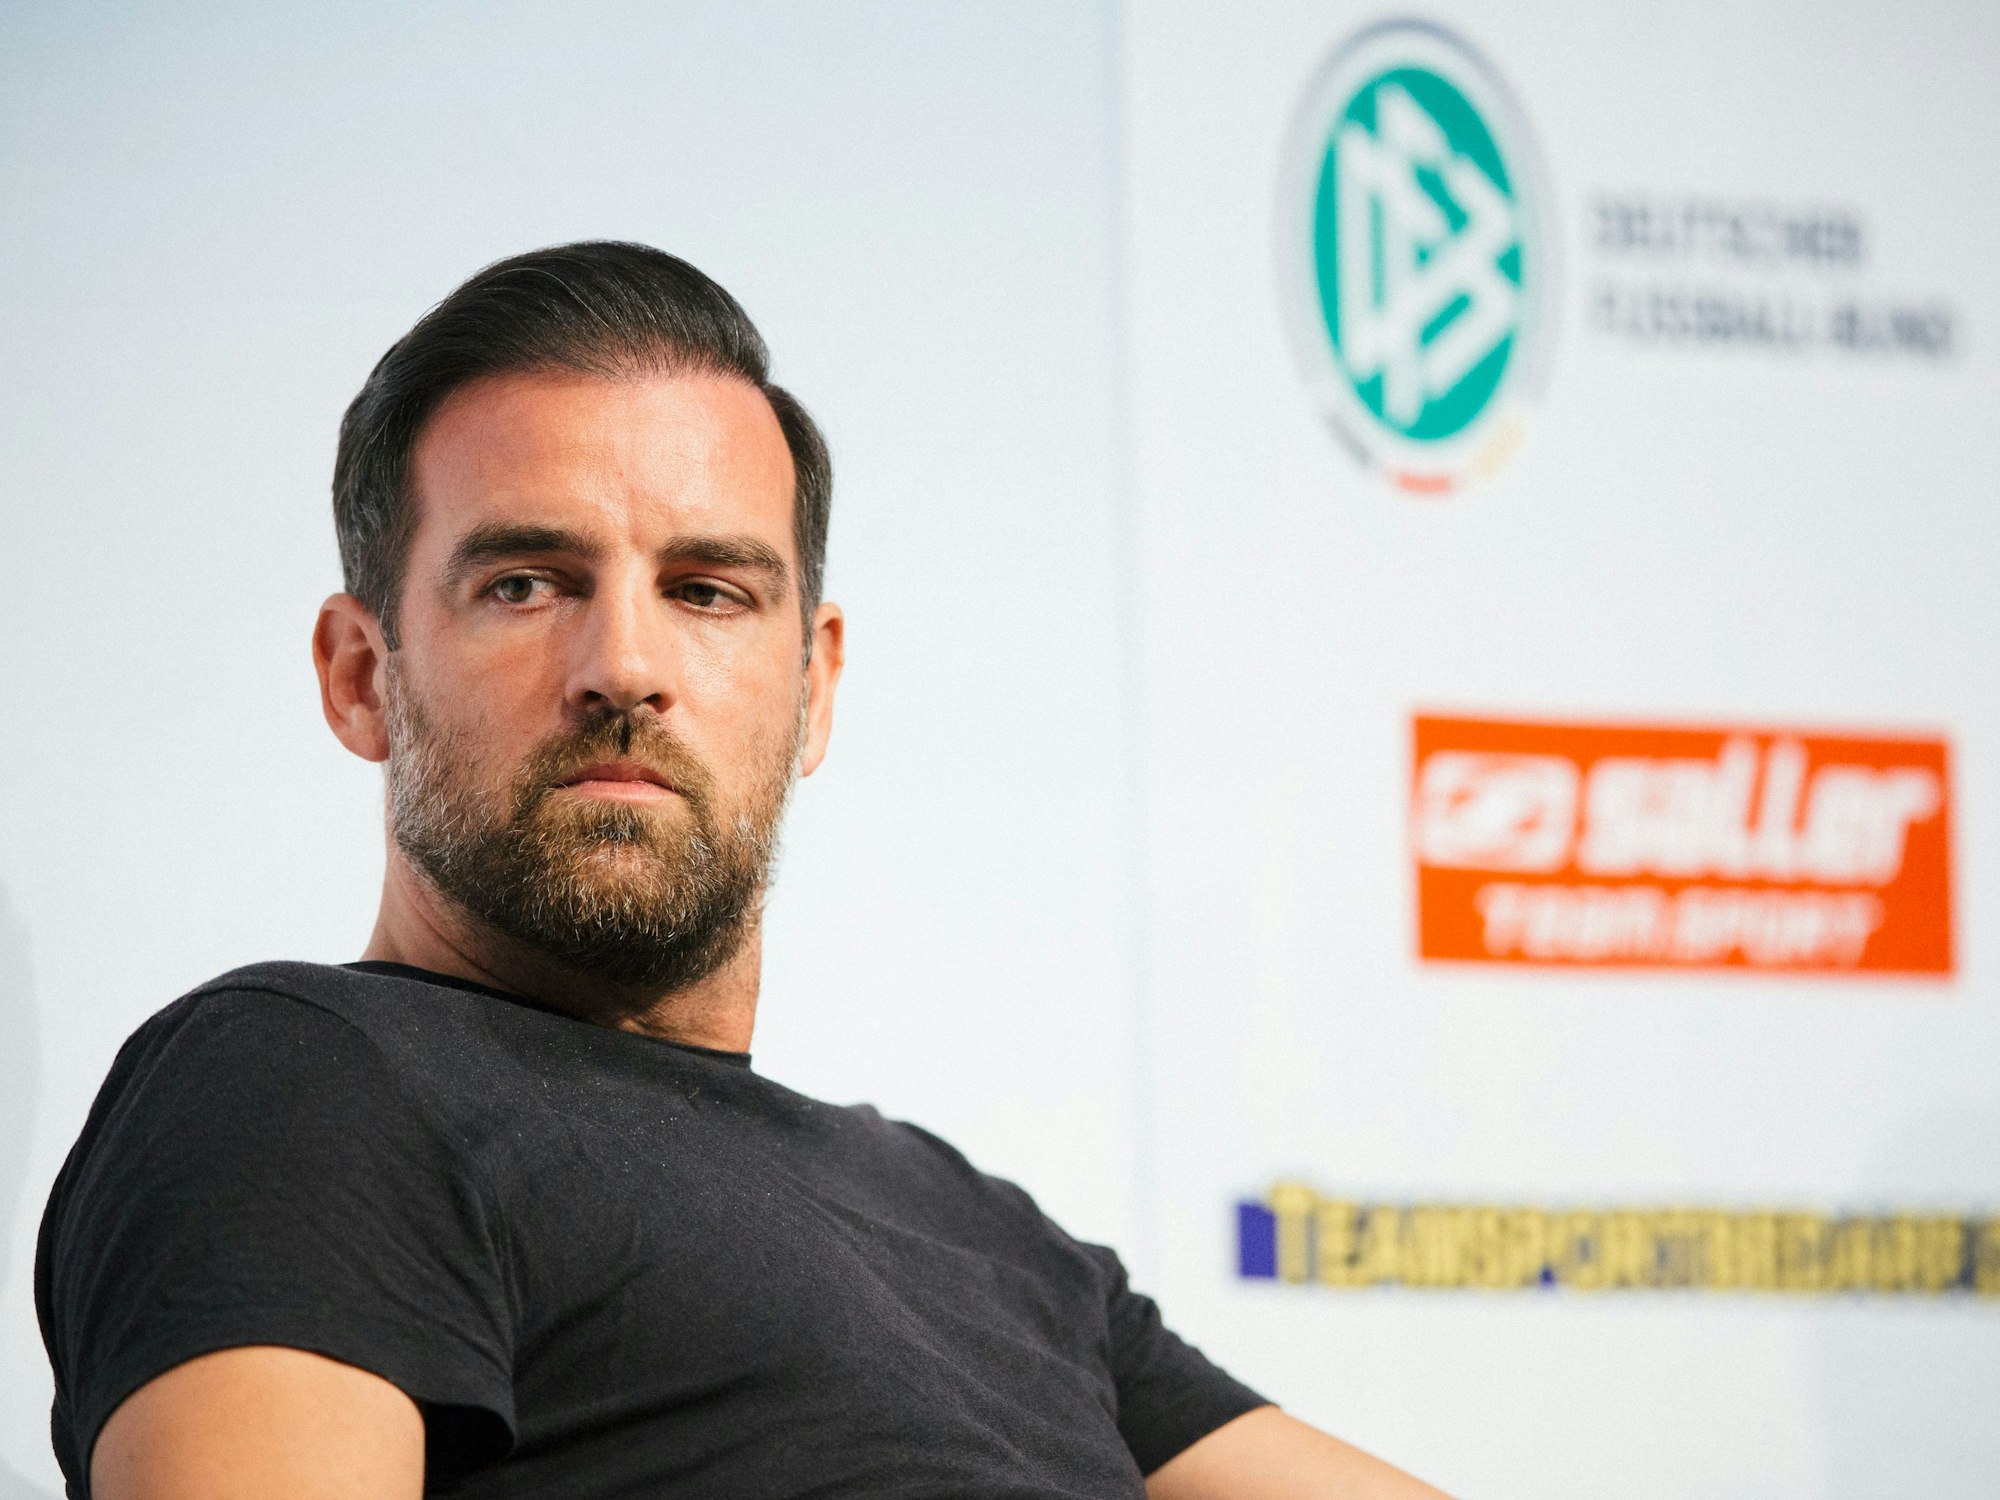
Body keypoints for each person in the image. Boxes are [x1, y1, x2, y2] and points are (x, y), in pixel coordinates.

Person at [36, 243, 1451, 1500]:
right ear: (362, 677)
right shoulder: (302, 1086)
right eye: (525, 583)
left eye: (708, 591)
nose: (625, 669)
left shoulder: (981, 1231)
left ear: (814, 684)